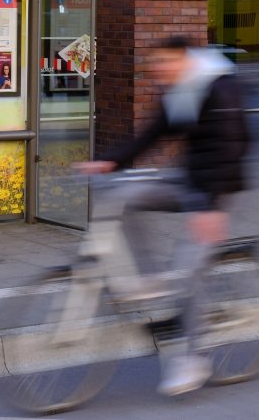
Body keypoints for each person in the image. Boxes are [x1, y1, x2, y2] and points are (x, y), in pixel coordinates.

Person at [76, 36, 250, 397]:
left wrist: (210, 207)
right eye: (155, 63)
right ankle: (149, 278)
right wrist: (112, 161)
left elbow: (232, 147)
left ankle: (193, 358)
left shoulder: (221, 89)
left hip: (216, 186)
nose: (158, 70)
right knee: (121, 197)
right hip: (186, 178)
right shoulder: (179, 90)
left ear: (186, 59)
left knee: (189, 269)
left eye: (165, 62)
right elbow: (154, 133)